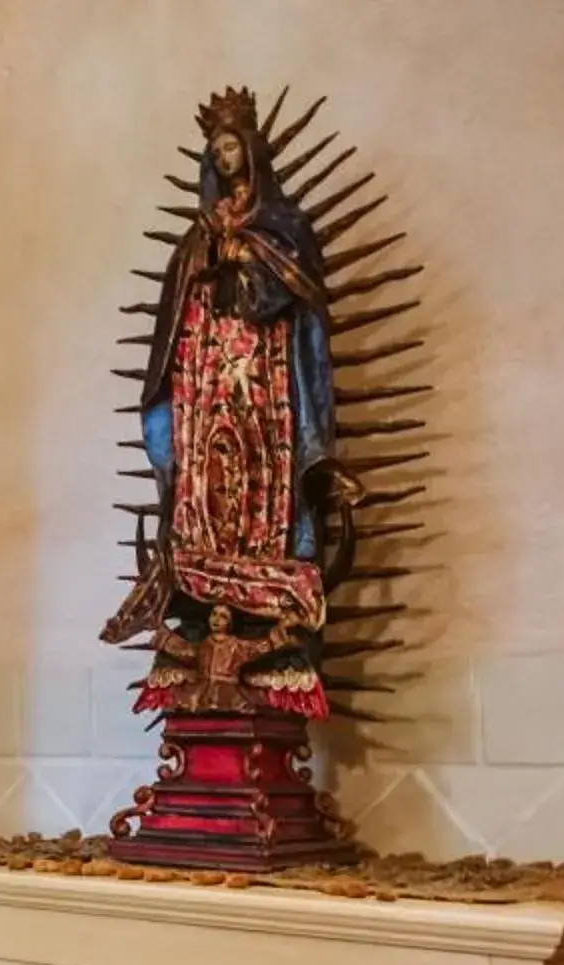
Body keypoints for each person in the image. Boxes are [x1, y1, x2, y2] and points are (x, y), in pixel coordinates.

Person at [103, 87, 359, 716]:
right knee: (204, 477)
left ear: (252, 154)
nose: (224, 159)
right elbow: (176, 319)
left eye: (232, 147)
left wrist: (248, 264)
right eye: (216, 151)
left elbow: (293, 301)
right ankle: (199, 589)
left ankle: (268, 593)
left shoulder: (284, 228)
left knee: (264, 478)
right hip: (206, 377)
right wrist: (212, 260)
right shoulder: (195, 239)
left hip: (265, 381)